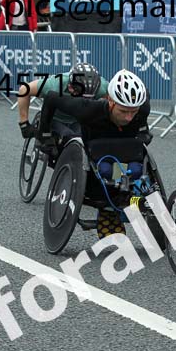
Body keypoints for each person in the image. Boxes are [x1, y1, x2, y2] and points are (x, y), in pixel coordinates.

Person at [36, 69, 152, 237]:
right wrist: (44, 134)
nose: (128, 118)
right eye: (123, 111)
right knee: (105, 171)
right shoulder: (88, 109)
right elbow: (51, 98)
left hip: (126, 153)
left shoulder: (142, 108)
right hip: (98, 155)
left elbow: (144, 102)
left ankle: (131, 200)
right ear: (110, 101)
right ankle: (111, 205)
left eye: (133, 112)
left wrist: (143, 128)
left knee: (135, 170)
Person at [17, 62, 107, 149]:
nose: (84, 101)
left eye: (89, 98)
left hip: (78, 118)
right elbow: (24, 90)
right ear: (70, 86)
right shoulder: (55, 84)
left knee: (85, 141)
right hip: (54, 117)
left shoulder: (103, 87)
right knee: (67, 138)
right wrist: (24, 124)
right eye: (81, 97)